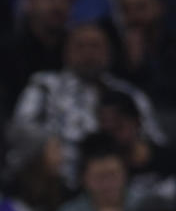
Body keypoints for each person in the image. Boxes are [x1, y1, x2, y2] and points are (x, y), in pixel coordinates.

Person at [10, 22, 164, 187]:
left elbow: (155, 140)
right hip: (59, 178)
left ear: (109, 52)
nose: (88, 52)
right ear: (66, 51)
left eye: (96, 46)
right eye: (80, 46)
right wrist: (46, 142)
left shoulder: (130, 94)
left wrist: (141, 148)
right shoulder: (45, 85)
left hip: (120, 180)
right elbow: (20, 127)